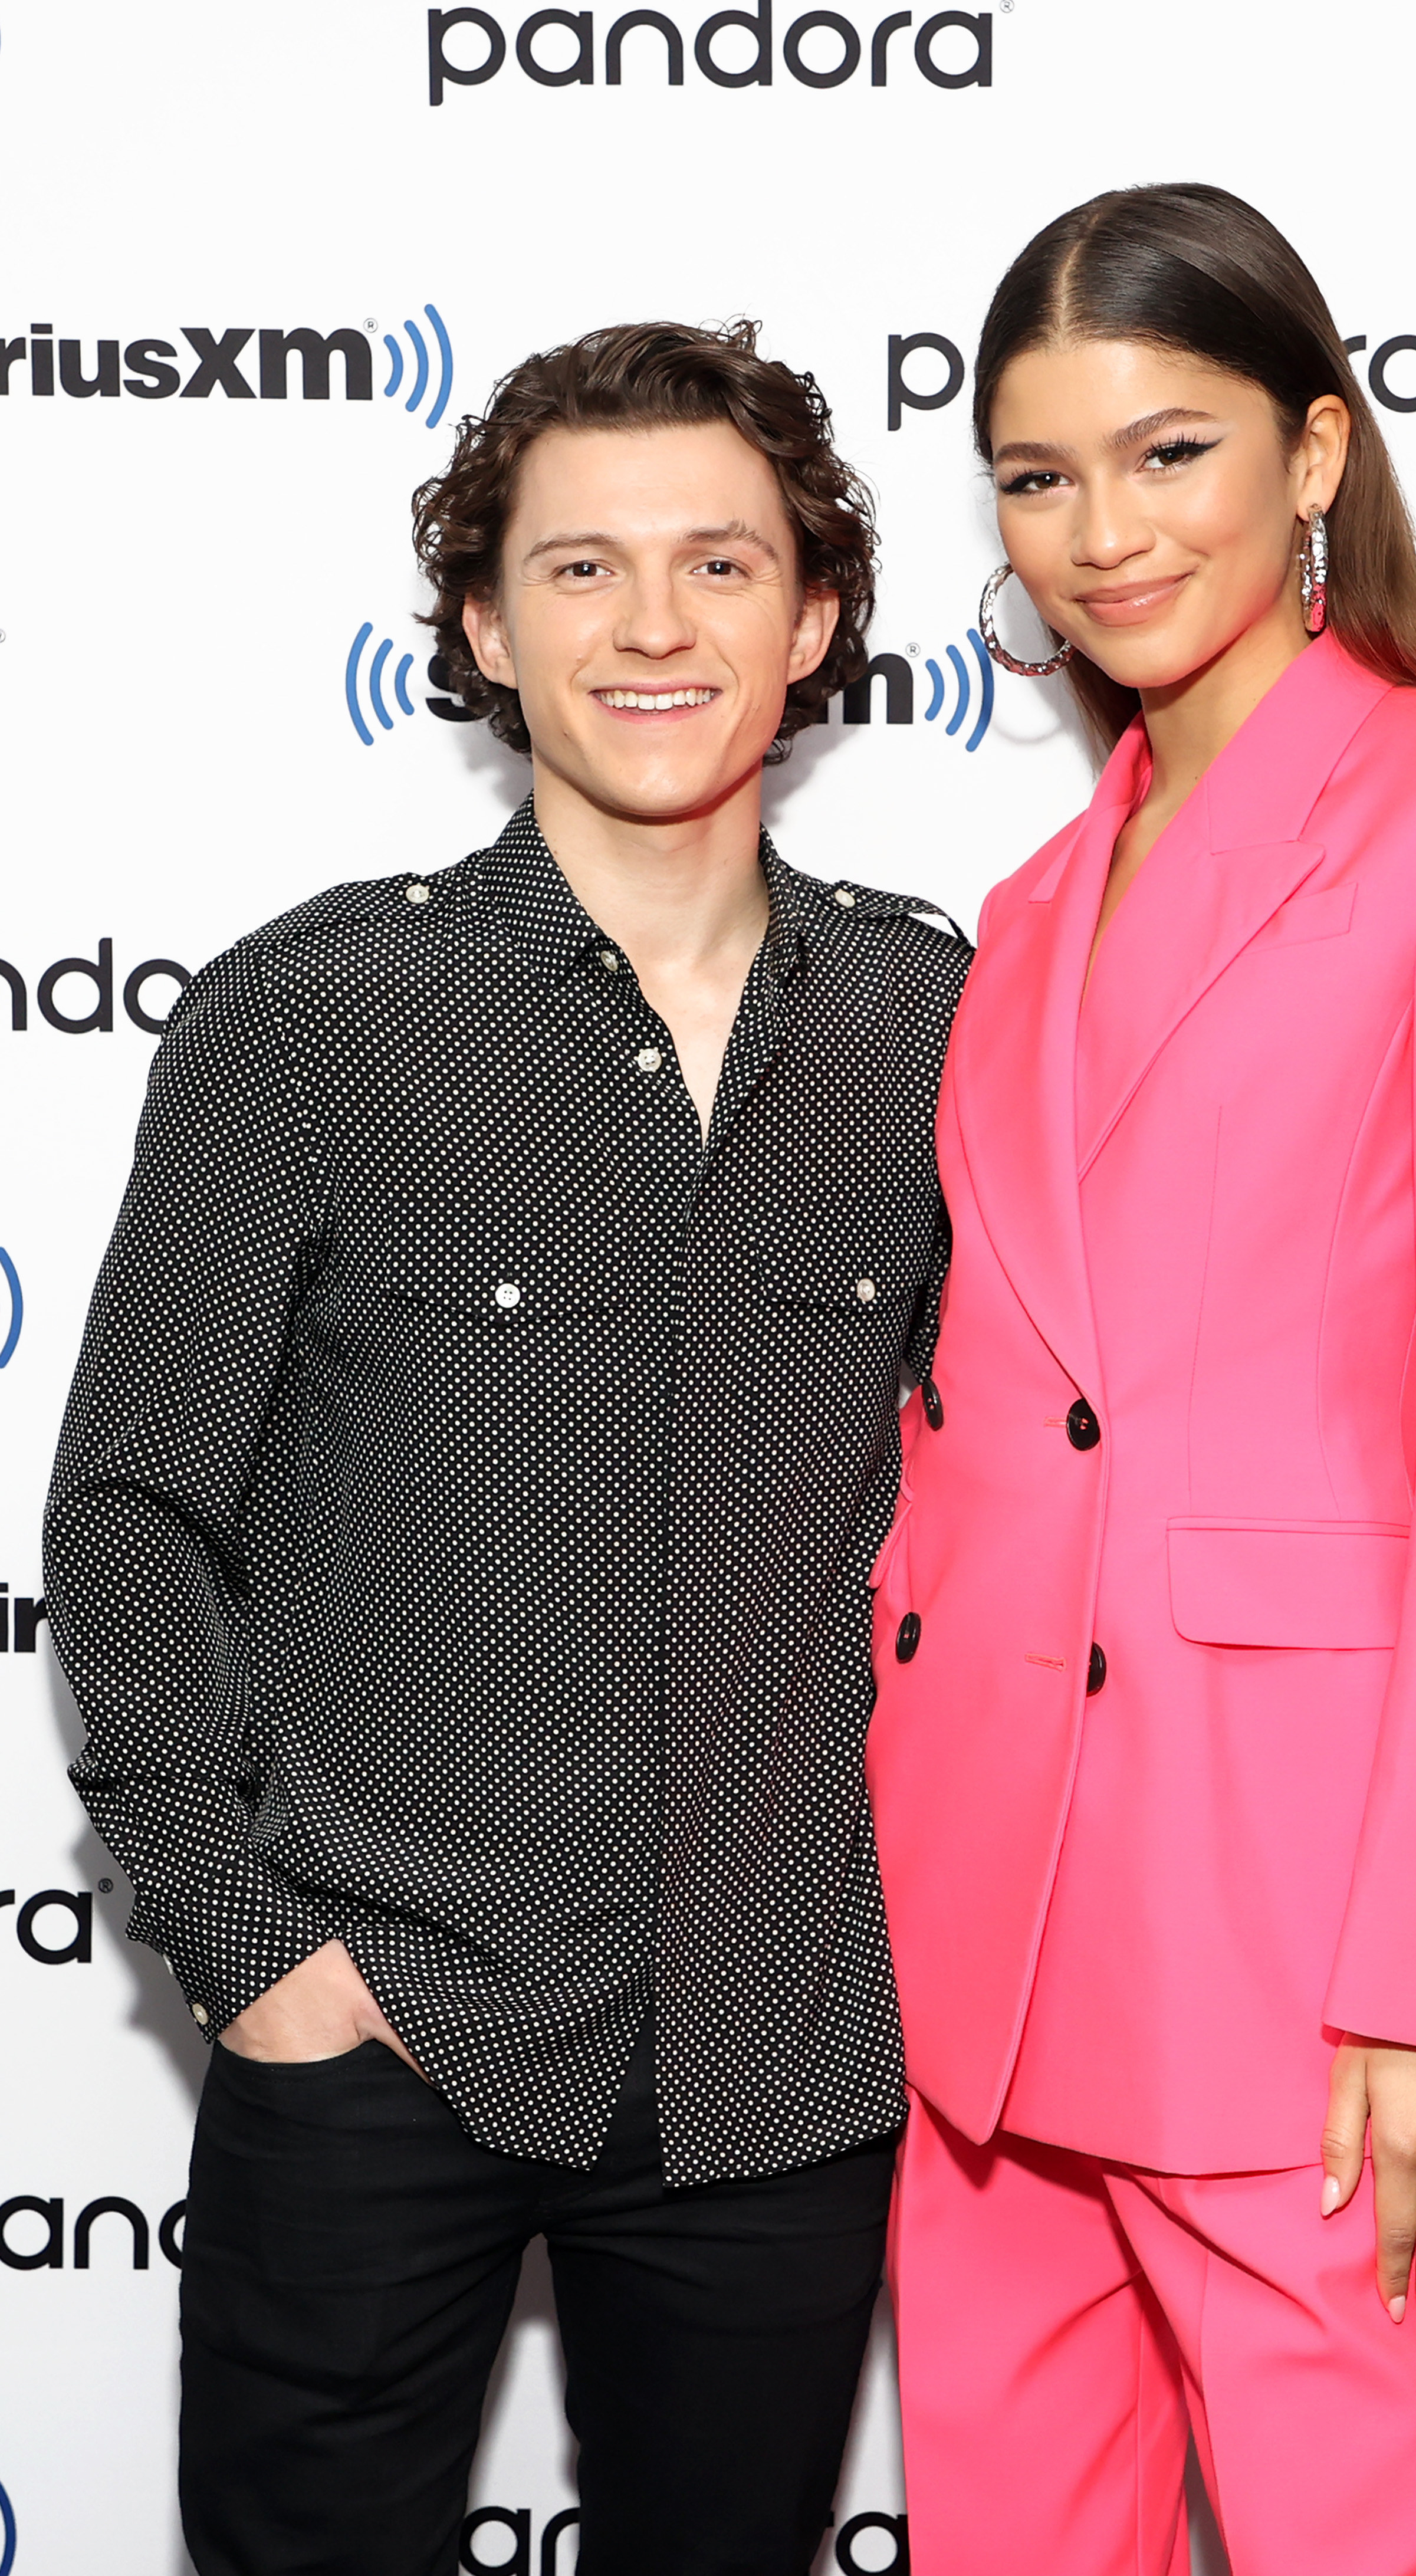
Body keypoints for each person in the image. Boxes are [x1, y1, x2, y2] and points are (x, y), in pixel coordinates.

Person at [44, 319, 968, 2576]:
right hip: (380, 2022)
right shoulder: (313, 1007)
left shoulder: (940, 1030)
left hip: (793, 2045)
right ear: (482, 624)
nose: (654, 626)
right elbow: (135, 1506)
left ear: (814, 617)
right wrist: (254, 1947)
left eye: (719, 566)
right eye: (581, 569)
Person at [866, 185, 1416, 2576]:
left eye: (1167, 450)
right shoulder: (1021, 905)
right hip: (971, 1945)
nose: (1097, 535)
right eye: (1033, 476)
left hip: (1292, 1938)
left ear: (1314, 452)